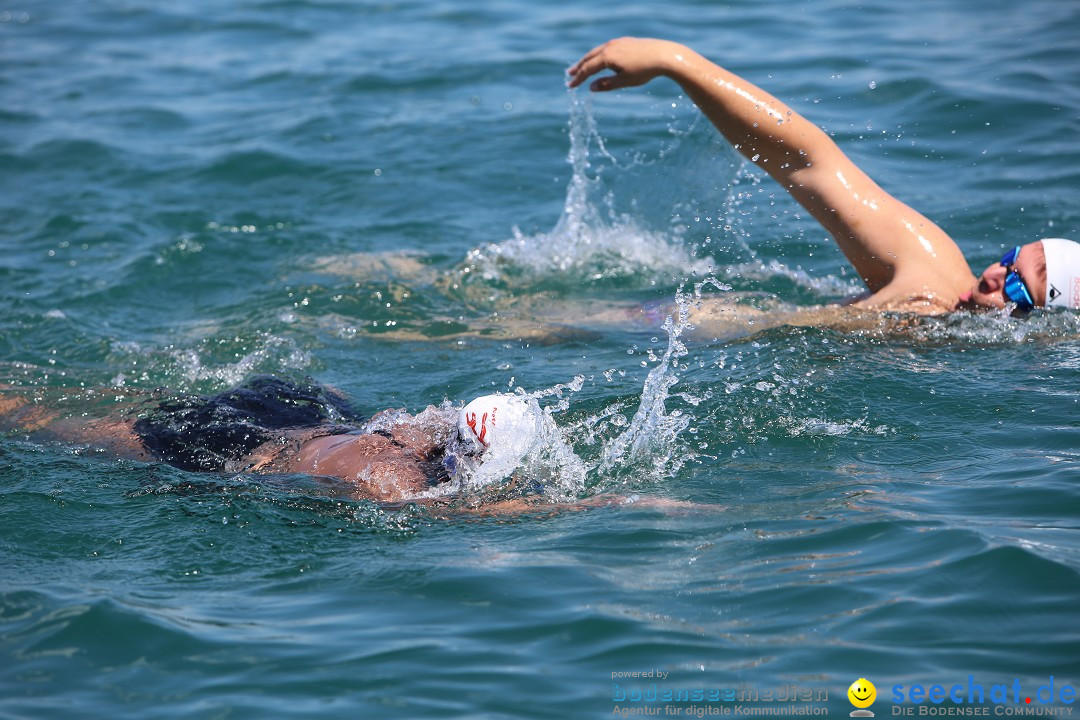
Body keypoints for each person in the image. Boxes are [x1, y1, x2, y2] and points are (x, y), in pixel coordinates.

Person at [568, 38, 1080, 316]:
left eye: (1018, 285)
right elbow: (808, 160)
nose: (994, 273)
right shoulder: (932, 268)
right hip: (662, 326)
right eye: (1011, 259)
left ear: (1043, 324)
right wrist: (675, 61)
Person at [0, 376, 545, 505]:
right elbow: (446, 515)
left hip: (291, 410)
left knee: (137, 399)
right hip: (238, 447)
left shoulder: (430, 424)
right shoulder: (395, 476)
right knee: (68, 431)